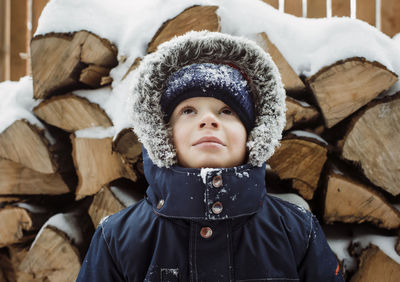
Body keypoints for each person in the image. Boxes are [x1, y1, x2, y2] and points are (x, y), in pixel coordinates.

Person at [76, 31, 344, 281]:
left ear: (253, 134)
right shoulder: (119, 238)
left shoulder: (296, 231)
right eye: (188, 111)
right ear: (163, 133)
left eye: (227, 111)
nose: (208, 120)